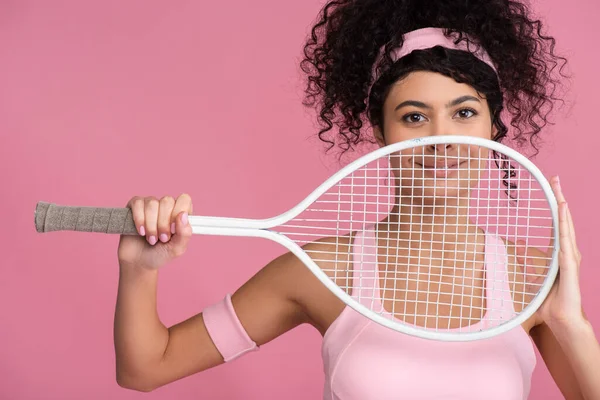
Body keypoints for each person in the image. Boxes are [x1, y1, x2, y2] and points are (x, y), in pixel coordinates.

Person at [113, 1, 600, 398]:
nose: (441, 138)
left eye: (464, 112)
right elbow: (147, 368)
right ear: (381, 133)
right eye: (414, 117)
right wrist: (140, 268)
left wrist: (569, 325)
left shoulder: (536, 280)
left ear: (493, 127)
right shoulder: (319, 271)